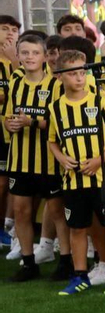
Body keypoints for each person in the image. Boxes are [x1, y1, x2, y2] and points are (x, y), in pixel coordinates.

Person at [47, 51, 105, 296]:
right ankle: (80, 276)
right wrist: (61, 158)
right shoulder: (55, 107)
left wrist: (100, 160)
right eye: (73, 74)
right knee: (77, 228)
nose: (79, 78)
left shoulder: (98, 99)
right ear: (59, 77)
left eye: (82, 72)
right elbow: (52, 141)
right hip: (73, 181)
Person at [4, 31, 61, 282]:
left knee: (58, 212)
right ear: (17, 55)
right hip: (19, 158)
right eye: (24, 53)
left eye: (35, 53)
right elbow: (8, 116)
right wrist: (11, 125)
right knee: (21, 211)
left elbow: (62, 123)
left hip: (50, 160)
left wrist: (32, 122)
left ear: (45, 56)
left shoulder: (56, 85)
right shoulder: (15, 83)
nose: (29, 57)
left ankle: (67, 262)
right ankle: (28, 263)